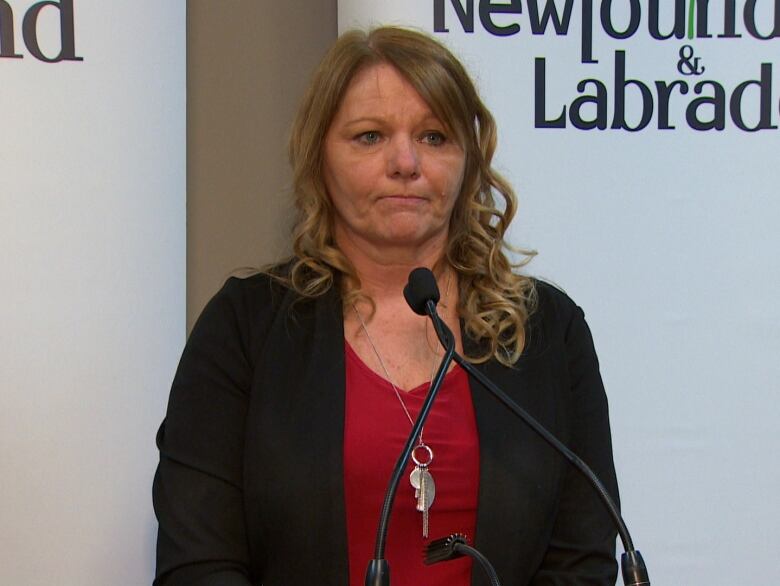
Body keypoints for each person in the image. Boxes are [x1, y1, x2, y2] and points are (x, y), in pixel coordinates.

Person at [153, 26, 619, 586]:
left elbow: (581, 559)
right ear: (318, 155)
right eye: (370, 137)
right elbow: (198, 563)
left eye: (434, 136)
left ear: (468, 159)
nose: (405, 162)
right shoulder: (246, 327)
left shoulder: (548, 330)